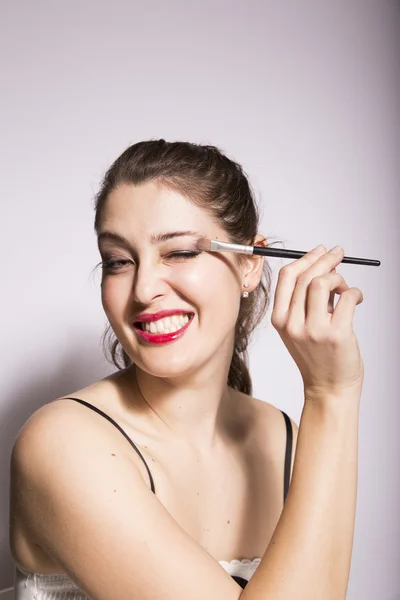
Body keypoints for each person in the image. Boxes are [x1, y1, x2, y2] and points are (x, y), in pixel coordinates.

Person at [10, 140, 364, 600]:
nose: (144, 288)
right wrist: (331, 395)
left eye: (178, 253)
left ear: (250, 264)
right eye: (119, 261)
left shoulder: (289, 440)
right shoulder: (61, 444)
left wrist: (329, 399)